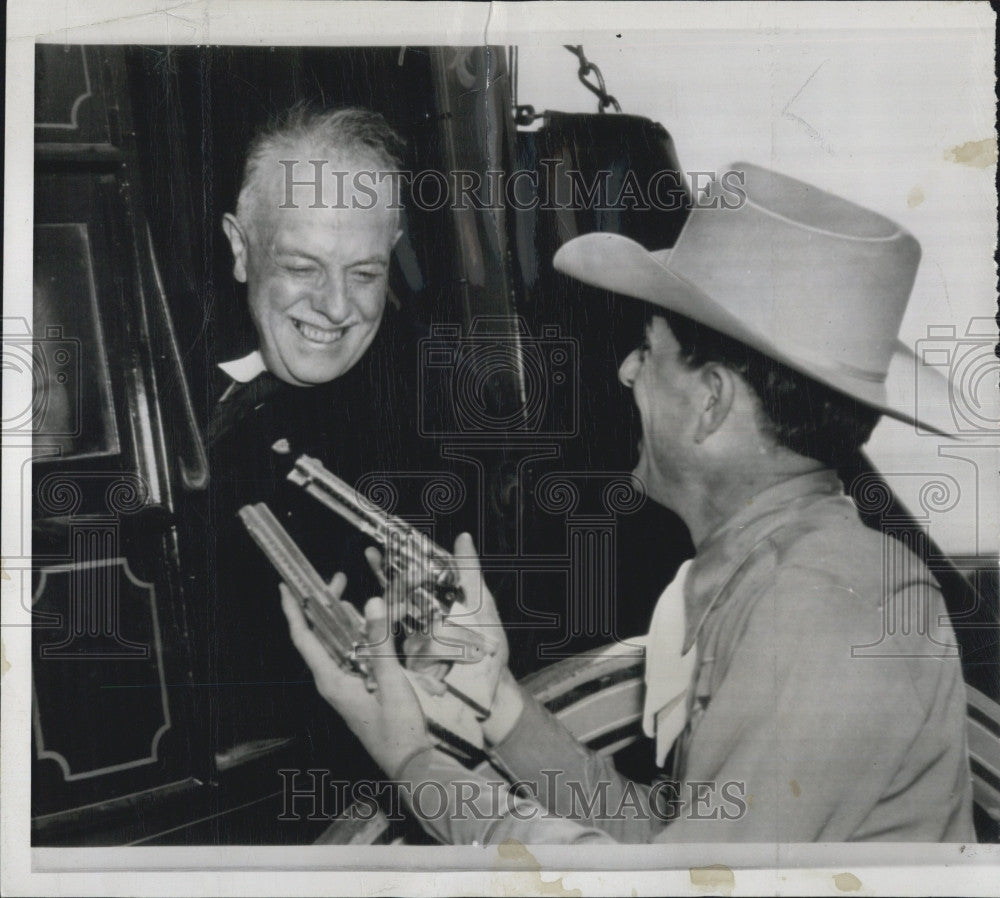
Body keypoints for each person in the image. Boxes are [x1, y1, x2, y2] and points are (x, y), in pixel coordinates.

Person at [281, 162, 975, 842]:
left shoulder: (816, 602)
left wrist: (414, 762)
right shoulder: (789, 570)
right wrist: (496, 699)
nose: (626, 370)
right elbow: (665, 840)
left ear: (710, 402)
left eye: (649, 351)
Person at [193, 105, 434, 765]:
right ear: (241, 250)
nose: (336, 307)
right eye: (303, 267)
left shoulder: (436, 427)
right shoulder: (172, 375)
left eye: (364, 274)